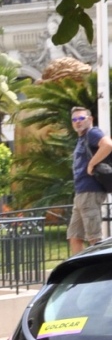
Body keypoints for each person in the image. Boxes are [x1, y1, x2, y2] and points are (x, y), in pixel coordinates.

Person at [68, 106, 112, 255]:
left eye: (81, 118)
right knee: (74, 236)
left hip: (90, 191)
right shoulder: (81, 139)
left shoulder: (92, 133)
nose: (77, 122)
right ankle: (77, 271)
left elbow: (108, 144)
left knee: (94, 238)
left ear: (90, 119)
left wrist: (92, 164)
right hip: (81, 193)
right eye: (74, 119)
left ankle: (102, 273)